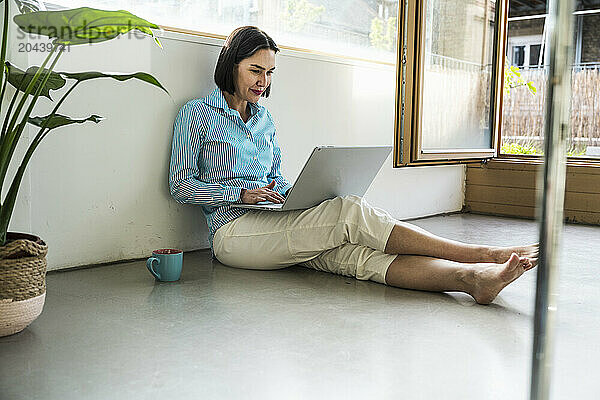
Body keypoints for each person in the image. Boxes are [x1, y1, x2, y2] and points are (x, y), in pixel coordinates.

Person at [169, 26, 539, 305]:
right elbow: (180, 186)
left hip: (274, 223)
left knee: (358, 258)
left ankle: (472, 279)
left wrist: (289, 193)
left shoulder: (264, 120)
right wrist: (241, 194)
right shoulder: (196, 114)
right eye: (255, 71)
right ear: (231, 65)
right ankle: (482, 254)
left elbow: (275, 178)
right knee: (347, 212)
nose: (264, 83)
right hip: (230, 235)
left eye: (269, 73)